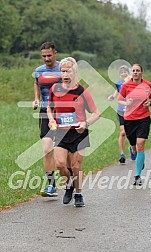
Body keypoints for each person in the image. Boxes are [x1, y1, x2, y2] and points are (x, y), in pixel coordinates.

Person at [47, 57, 100, 207]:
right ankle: (69, 184)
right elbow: (49, 108)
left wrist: (86, 123)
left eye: (68, 71)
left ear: (74, 72)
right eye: (62, 71)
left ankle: (78, 194)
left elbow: (97, 112)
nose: (65, 74)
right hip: (61, 132)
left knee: (76, 166)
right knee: (60, 164)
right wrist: (51, 120)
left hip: (79, 133)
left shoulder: (82, 91)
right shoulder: (55, 89)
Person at [117, 64, 151, 185]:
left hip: (143, 118)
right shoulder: (126, 85)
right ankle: (135, 153)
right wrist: (126, 103)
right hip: (129, 119)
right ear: (131, 72)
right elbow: (119, 99)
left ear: (142, 72)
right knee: (134, 147)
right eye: (133, 71)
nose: (135, 72)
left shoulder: (147, 85)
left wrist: (149, 102)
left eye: (138, 70)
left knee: (140, 145)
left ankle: (137, 175)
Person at [32, 42, 62, 197]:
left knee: (64, 152)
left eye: (49, 55)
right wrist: (36, 99)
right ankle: (51, 185)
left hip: (63, 114)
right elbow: (36, 84)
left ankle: (70, 182)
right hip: (45, 113)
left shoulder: (63, 68)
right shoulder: (39, 71)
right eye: (43, 56)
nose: (46, 58)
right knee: (46, 149)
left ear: (55, 53)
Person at [108, 65, 131, 164]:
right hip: (121, 110)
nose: (123, 74)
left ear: (128, 72)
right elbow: (117, 90)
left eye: (125, 72)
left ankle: (133, 149)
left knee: (131, 133)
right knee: (122, 132)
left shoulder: (132, 82)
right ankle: (122, 154)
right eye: (121, 72)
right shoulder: (118, 83)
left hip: (131, 111)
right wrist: (112, 97)